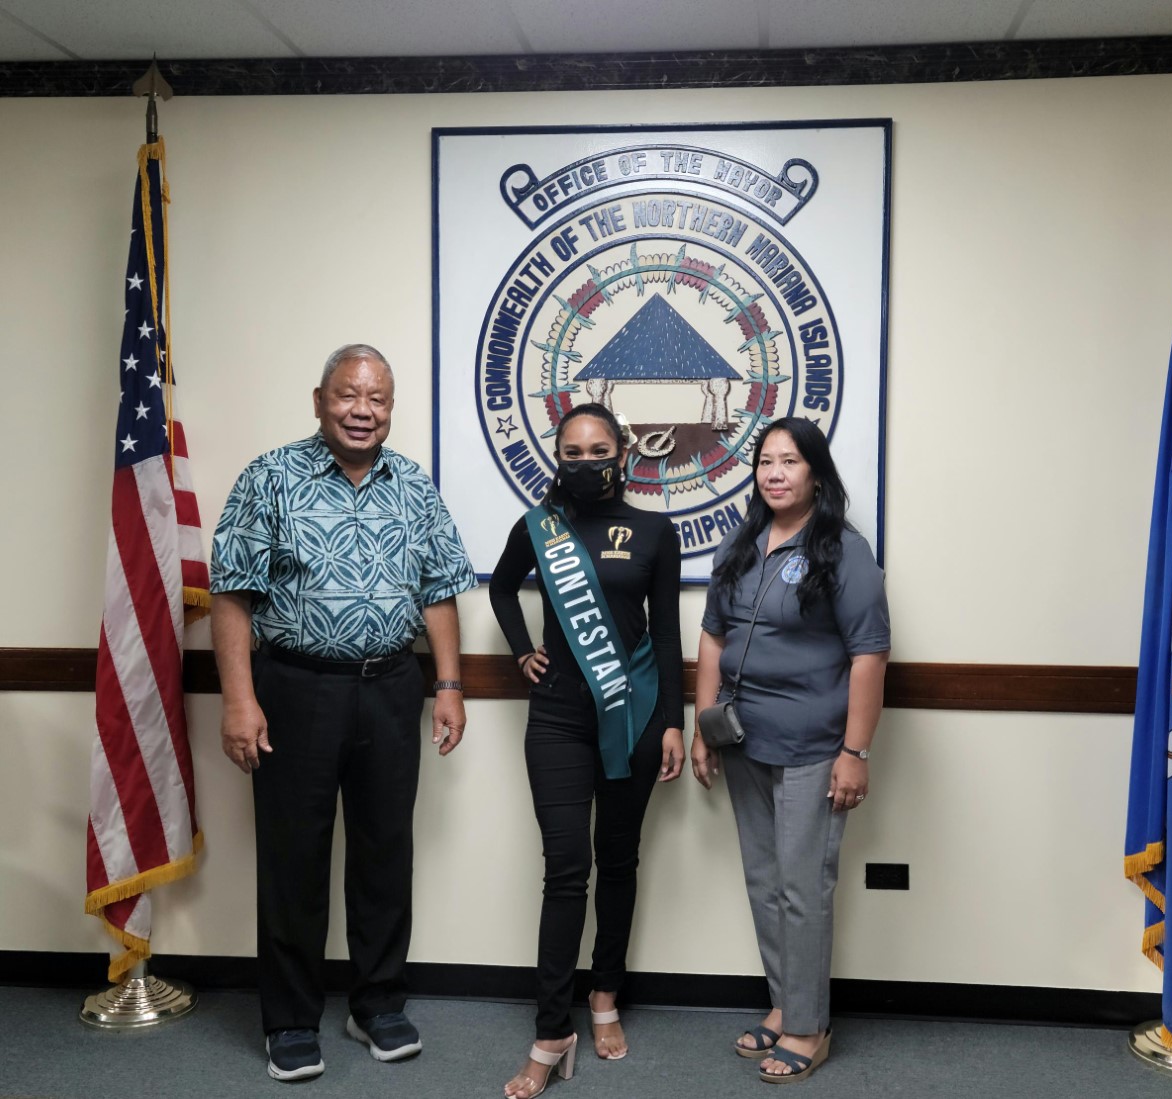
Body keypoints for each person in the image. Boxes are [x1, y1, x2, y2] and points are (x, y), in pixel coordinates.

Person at [209, 343, 476, 1082]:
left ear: (390, 407)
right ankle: (291, 1020)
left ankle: (377, 1004)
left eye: (378, 399)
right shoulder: (269, 477)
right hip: (296, 687)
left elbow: (439, 588)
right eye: (349, 395)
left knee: (386, 850)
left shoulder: (413, 485)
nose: (363, 410)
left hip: (391, 685)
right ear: (320, 398)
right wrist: (239, 698)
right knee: (294, 857)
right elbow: (232, 594)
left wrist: (448, 684)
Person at [489, 403, 685, 1099]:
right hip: (558, 718)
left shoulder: (658, 532)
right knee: (566, 867)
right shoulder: (540, 527)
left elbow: (666, 638)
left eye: (597, 449)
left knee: (620, 859)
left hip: (632, 716)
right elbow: (501, 584)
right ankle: (551, 1032)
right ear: (558, 457)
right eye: (571, 450)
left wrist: (671, 722)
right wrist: (521, 649)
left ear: (621, 454)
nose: (584, 461)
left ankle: (605, 996)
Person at [692, 416, 890, 1084]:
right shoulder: (742, 541)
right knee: (765, 879)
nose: (774, 472)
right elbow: (713, 637)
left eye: (790, 461)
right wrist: (702, 723)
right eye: (765, 461)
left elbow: (869, 653)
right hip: (745, 738)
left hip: (814, 742)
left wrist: (854, 751)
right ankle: (786, 1002)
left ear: (815, 472)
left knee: (805, 886)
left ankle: (809, 1024)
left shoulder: (843, 549)